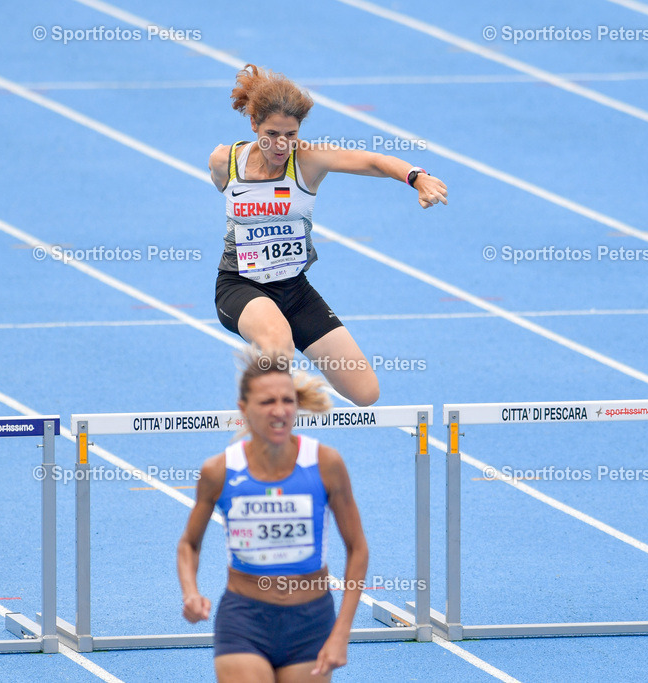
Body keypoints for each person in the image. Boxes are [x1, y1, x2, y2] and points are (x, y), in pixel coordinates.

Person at [211, 64, 448, 407]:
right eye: (273, 134)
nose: (281, 145)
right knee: (278, 339)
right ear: (254, 125)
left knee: (365, 392)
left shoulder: (307, 160)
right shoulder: (225, 161)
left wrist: (416, 177)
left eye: (290, 135)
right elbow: (225, 192)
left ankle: (279, 391)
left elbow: (374, 162)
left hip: (294, 288)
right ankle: (265, 412)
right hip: (240, 286)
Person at [178, 349, 369, 681]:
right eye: (267, 402)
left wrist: (341, 633)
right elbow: (189, 545)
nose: (280, 411)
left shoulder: (326, 464)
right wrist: (190, 592)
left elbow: (358, 549)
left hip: (311, 622)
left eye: (288, 400)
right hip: (245, 620)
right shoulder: (219, 471)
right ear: (244, 410)